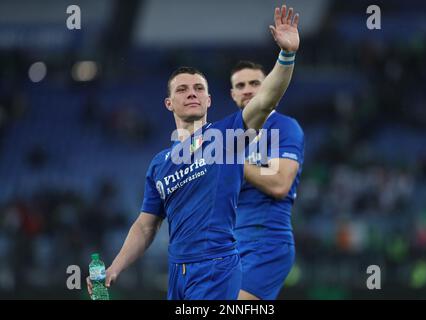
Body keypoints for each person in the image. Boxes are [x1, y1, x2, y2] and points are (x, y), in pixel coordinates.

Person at [87, 5, 300, 300]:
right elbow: (146, 226)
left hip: (217, 268)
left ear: (209, 100)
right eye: (183, 89)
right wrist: (115, 267)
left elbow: (265, 100)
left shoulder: (228, 136)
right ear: (168, 103)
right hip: (177, 273)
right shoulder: (159, 164)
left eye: (199, 89)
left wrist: (286, 55)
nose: (191, 93)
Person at [230, 59, 304, 300]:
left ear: (270, 87)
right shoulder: (229, 136)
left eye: (255, 83)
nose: (247, 89)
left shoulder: (284, 127)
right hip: (230, 248)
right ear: (233, 94)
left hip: (266, 243)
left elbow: (280, 183)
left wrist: (231, 161)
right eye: (240, 85)